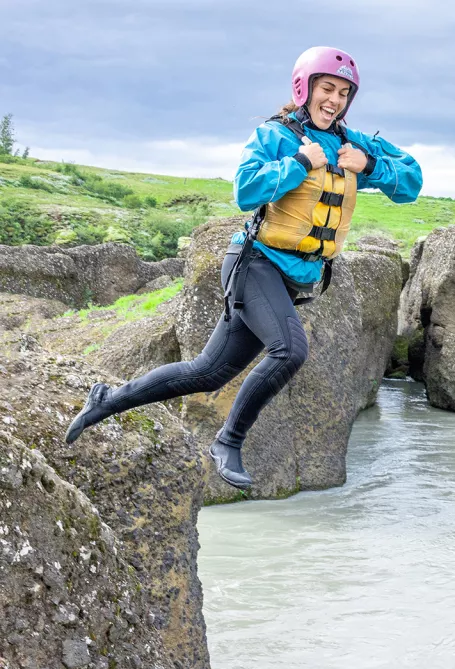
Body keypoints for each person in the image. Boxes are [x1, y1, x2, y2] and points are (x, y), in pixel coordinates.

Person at [64, 46, 423, 489]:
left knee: (207, 371)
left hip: (291, 278)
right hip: (254, 264)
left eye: (344, 93)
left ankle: (106, 400)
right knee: (290, 351)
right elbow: (246, 191)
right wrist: (299, 163)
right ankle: (228, 440)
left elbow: (411, 182)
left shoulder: (353, 144)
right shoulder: (277, 136)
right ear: (305, 87)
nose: (335, 100)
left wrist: (370, 164)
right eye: (327, 88)